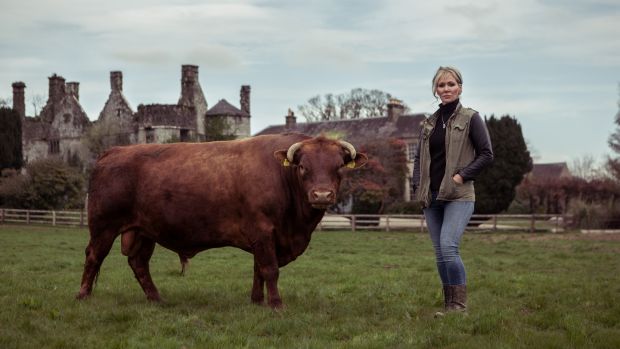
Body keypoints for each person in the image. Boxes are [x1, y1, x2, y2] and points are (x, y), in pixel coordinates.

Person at [412, 66, 494, 315]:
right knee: (440, 254)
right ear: (435, 90)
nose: (446, 89)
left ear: (460, 87)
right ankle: (449, 305)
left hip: (458, 195)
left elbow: (487, 154)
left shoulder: (471, 118)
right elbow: (418, 160)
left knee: (449, 247)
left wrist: (462, 175)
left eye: (451, 84)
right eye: (441, 85)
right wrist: (417, 187)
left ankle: (459, 307)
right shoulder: (428, 124)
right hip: (432, 197)